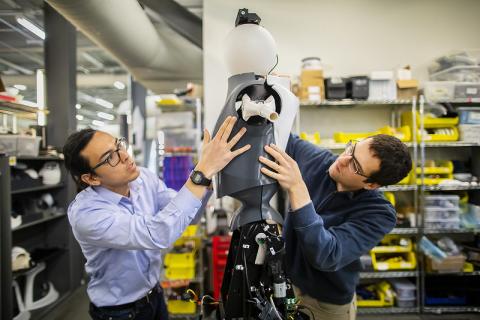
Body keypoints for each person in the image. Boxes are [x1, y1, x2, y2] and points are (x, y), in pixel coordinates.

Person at [63, 116, 250, 320]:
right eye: (110, 157)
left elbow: (188, 216)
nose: (125, 156)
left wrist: (207, 181)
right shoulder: (87, 215)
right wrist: (201, 173)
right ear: (91, 178)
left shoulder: (142, 178)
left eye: (119, 145)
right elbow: (158, 233)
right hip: (119, 312)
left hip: (155, 294)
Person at [258, 134, 412, 320]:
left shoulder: (379, 214)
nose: (343, 159)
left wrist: (297, 188)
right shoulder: (320, 160)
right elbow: (282, 134)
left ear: (371, 184)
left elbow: (327, 255)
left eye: (355, 165)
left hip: (325, 304)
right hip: (287, 286)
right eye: (352, 148)